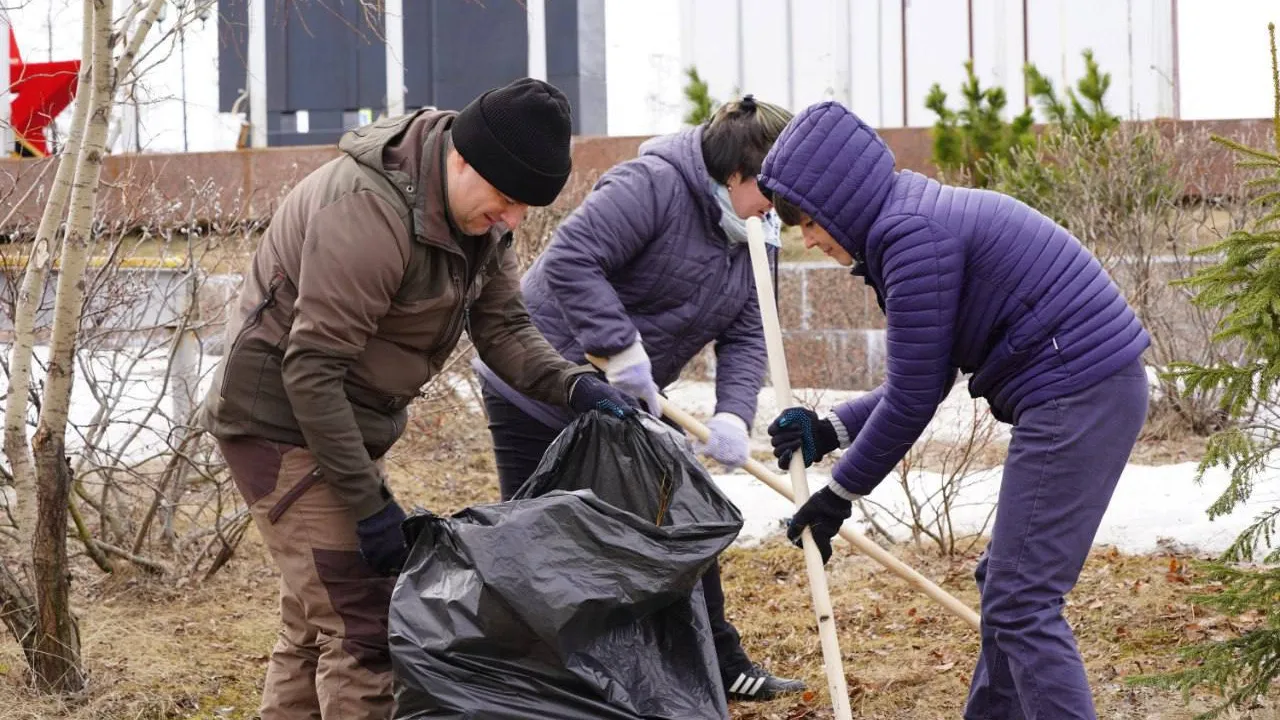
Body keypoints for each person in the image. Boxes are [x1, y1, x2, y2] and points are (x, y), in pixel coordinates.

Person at [197, 78, 636, 720]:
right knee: (365, 627)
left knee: (316, 621)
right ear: (462, 158)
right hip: (279, 425)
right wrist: (372, 507)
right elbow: (313, 370)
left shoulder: (478, 218)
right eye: (507, 200)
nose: (512, 220)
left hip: (342, 422)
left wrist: (576, 386)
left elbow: (505, 328)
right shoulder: (366, 213)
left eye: (524, 209)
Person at [759, 101, 1150, 720]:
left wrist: (839, 493)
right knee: (1007, 587)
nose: (808, 239)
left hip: (1077, 391)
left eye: (808, 221)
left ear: (838, 202)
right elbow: (925, 376)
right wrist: (828, 428)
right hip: (1085, 387)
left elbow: (914, 397)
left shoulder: (909, 235)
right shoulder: (906, 220)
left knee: (1021, 603)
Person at [471, 95, 807, 703]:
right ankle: (522, 681)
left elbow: (752, 329)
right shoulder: (651, 185)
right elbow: (574, 260)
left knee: (684, 514)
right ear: (735, 175)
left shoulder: (759, 228)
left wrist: (733, 412)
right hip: (540, 383)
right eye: (770, 192)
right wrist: (620, 349)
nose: (777, 208)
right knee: (540, 539)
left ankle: (721, 660)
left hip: (629, 400)